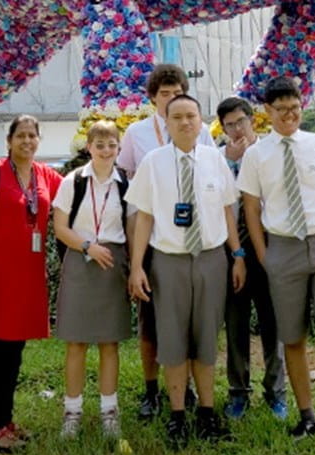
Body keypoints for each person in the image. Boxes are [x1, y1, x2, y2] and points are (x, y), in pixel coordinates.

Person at [237, 76, 315, 443]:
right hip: (283, 251)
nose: (289, 115)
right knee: (292, 337)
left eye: (294, 108)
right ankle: (307, 415)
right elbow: (251, 208)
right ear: (267, 112)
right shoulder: (256, 155)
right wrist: (264, 255)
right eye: (281, 109)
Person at [126, 94, 246, 449]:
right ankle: (178, 415)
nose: (185, 123)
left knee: (207, 338)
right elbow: (144, 217)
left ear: (200, 120)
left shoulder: (214, 160)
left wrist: (237, 254)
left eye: (191, 116)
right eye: (176, 117)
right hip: (169, 261)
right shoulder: (153, 162)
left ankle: (207, 413)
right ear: (166, 122)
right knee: (173, 338)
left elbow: (227, 210)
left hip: (211, 259)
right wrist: (136, 267)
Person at [117, 64, 216, 420]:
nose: (171, 99)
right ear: (153, 98)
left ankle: (187, 387)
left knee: (188, 317)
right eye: (164, 94)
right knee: (151, 317)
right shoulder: (136, 133)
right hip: (148, 223)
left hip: (189, 235)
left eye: (177, 93)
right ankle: (150, 390)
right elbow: (128, 178)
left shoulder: (200, 130)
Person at [0, 114, 64, 452]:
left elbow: (74, 193)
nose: (27, 141)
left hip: (29, 277)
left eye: (33, 136)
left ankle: (6, 422)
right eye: (21, 135)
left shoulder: (45, 176)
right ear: (9, 141)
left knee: (14, 351)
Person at [52, 121, 134, 439]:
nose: (105, 150)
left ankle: (109, 412)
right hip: (81, 260)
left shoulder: (125, 183)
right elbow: (60, 227)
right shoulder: (73, 181)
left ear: (119, 147)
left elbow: (132, 226)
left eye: (111, 144)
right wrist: (88, 246)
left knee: (109, 341)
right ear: (89, 147)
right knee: (76, 342)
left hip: (112, 264)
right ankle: (72, 413)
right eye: (99, 144)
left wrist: (131, 267)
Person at [215, 96, 287, 420]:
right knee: (236, 323)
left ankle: (276, 393)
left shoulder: (272, 151)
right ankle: (238, 392)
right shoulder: (217, 160)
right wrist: (231, 161)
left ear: (252, 120)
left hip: (271, 246)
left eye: (240, 121)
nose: (236, 129)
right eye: (229, 124)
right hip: (233, 251)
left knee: (274, 322)